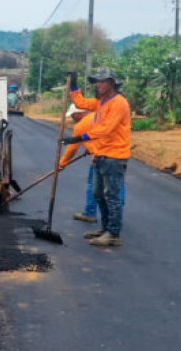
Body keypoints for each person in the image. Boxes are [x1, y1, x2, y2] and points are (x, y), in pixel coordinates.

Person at [61, 67, 131, 246]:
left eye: (102, 81)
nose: (98, 84)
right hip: (101, 154)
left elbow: (106, 129)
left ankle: (113, 234)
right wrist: (74, 84)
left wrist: (79, 137)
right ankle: (105, 228)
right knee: (99, 194)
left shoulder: (119, 103)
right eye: (97, 81)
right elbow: (81, 102)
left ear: (111, 83)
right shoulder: (101, 102)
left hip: (114, 156)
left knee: (112, 196)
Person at [60, 104, 126, 224]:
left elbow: (72, 148)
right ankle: (116, 214)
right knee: (118, 184)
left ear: (79, 113)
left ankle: (90, 213)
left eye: (73, 116)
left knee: (93, 185)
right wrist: (89, 148)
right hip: (118, 155)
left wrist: (62, 163)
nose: (72, 118)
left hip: (101, 158)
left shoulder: (80, 126)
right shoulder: (99, 116)